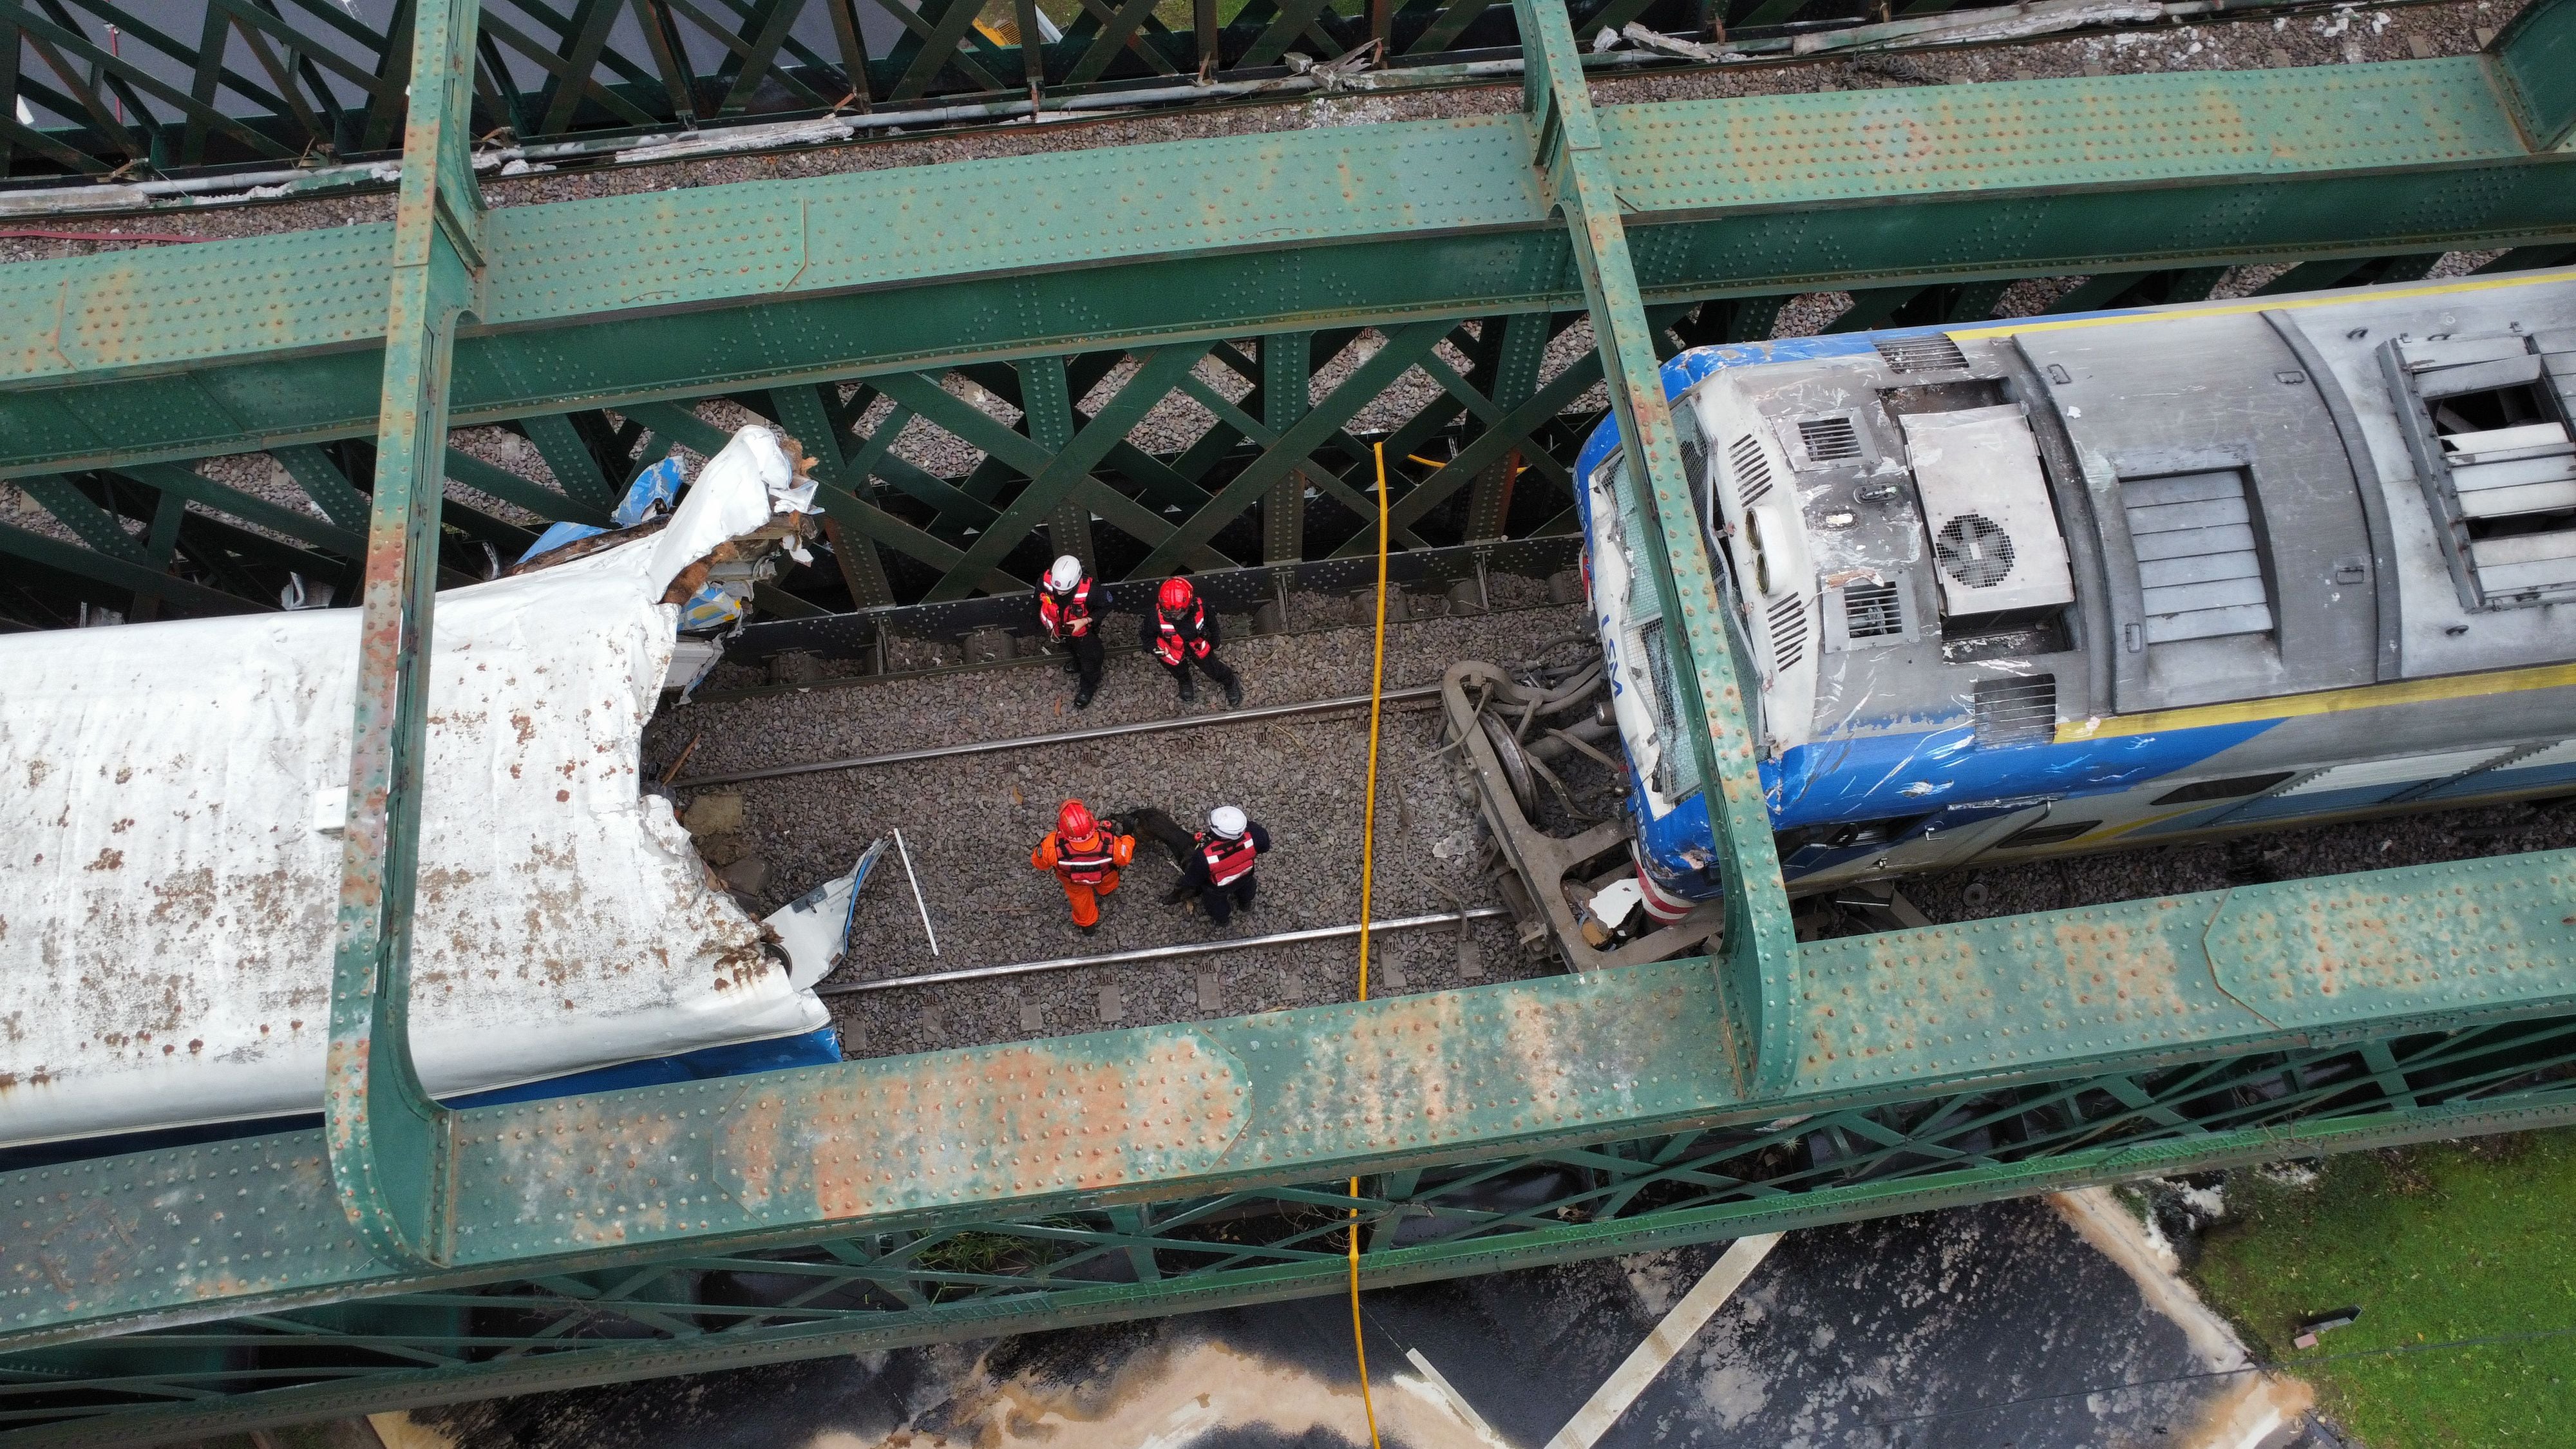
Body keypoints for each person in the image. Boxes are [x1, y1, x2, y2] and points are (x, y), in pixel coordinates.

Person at [1030, 799, 1135, 933]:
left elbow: (1039, 864)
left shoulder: (1051, 846)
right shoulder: (1110, 844)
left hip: (1074, 883)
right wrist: (1127, 837)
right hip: (1105, 876)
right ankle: (1106, 892)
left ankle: (1088, 927)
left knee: (1081, 902)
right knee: (1109, 882)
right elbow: (1125, 857)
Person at [1142, 576, 1244, 707]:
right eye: (1168, 613)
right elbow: (1146, 636)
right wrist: (1155, 648)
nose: (1174, 617)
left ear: (1189, 604)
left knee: (1213, 668)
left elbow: (1213, 625)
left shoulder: (1202, 607)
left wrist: (1213, 642)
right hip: (1172, 648)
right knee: (1177, 668)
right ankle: (1184, 681)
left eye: (1178, 613)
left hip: (1197, 644)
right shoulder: (1154, 616)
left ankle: (1229, 681)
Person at [1178, 804, 1269, 925]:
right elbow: (1265, 847)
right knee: (1247, 891)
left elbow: (1193, 880)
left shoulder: (1204, 857)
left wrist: (1183, 882)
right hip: (1245, 876)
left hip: (1218, 888)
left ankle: (1223, 921)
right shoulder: (1256, 834)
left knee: (1217, 906)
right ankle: (1245, 904)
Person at [1035, 554, 1106, 710]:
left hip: (1082, 634)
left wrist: (1085, 621)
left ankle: (1087, 689)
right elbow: (1038, 599)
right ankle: (1077, 662)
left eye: (1065, 590)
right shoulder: (1045, 581)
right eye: (1057, 589)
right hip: (1058, 630)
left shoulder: (1092, 590)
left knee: (1092, 660)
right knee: (1070, 649)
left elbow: (1105, 607)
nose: (1060, 593)